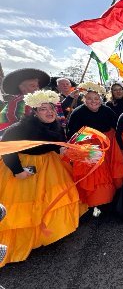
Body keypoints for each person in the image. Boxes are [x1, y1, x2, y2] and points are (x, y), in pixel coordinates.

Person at [0, 90, 81, 267]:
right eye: (43, 109)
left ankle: (48, 233)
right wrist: (17, 170)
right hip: (24, 168)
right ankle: (25, 241)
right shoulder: (20, 128)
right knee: (26, 205)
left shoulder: (56, 124)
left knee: (52, 199)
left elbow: (59, 143)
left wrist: (66, 151)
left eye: (51, 107)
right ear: (34, 112)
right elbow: (6, 148)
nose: (49, 111)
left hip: (50, 167)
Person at [67, 82, 123, 213]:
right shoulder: (77, 113)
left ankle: (111, 199)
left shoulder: (106, 110)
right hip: (89, 147)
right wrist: (84, 146)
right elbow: (72, 133)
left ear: (100, 99)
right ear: (84, 99)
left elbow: (116, 126)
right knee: (95, 175)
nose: (93, 101)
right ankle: (97, 202)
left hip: (108, 145)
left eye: (96, 98)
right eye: (89, 98)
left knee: (110, 172)